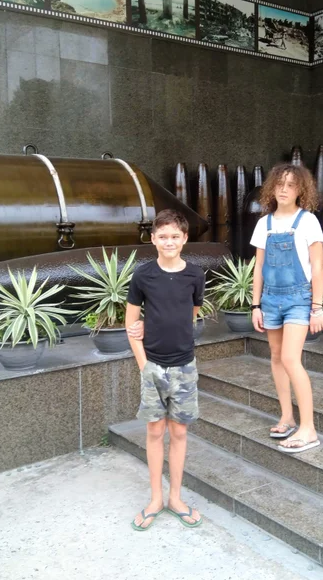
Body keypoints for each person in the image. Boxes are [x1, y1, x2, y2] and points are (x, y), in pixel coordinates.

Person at [125, 209, 205, 531]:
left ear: (184, 239)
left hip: (184, 366)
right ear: (153, 239)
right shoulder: (143, 276)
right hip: (153, 366)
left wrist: (158, 323)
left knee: (180, 432)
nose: (168, 241)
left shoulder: (195, 275)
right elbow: (131, 323)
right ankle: (156, 498)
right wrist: (144, 365)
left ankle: (175, 497)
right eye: (162, 236)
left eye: (175, 236)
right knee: (155, 431)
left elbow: (192, 312)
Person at [250, 163, 323, 454]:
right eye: (280, 183)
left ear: (301, 190)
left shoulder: (308, 222)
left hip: (299, 298)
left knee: (292, 358)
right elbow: (258, 268)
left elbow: (317, 266)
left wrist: (316, 307)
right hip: (270, 299)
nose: (284, 189)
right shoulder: (264, 224)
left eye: (292, 185)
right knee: (277, 358)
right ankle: (287, 416)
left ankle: (309, 428)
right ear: (271, 187)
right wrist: (255, 305)